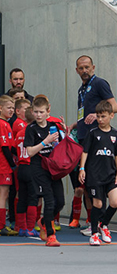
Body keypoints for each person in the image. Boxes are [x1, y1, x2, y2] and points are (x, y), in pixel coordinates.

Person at [72, 55, 117, 233]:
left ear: (93, 67)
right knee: (88, 183)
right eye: (80, 68)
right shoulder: (81, 89)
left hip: (99, 139)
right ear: (76, 70)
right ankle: (93, 223)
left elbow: (114, 106)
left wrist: (97, 115)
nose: (84, 70)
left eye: (87, 67)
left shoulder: (99, 83)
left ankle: (99, 224)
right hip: (85, 138)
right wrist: (75, 125)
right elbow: (84, 114)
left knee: (97, 181)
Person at [78, 100, 117, 247]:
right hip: (95, 175)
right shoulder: (93, 133)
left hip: (110, 175)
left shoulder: (116, 135)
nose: (100, 119)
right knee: (97, 204)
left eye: (103, 116)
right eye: (98, 116)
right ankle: (94, 234)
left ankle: (104, 225)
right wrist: (82, 168)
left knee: (114, 202)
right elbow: (85, 152)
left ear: (111, 116)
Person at [24, 96, 65, 247]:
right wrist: (44, 142)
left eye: (41, 112)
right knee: (49, 200)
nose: (38, 115)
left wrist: (64, 133)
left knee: (60, 201)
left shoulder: (54, 126)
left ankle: (44, 220)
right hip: (38, 168)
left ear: (48, 111)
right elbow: (29, 152)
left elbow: (61, 146)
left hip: (53, 167)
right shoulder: (31, 129)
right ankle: (50, 235)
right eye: (36, 112)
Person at [14, 107, 39, 237]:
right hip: (30, 166)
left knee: (22, 198)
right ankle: (30, 227)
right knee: (33, 198)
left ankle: (22, 227)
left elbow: (14, 148)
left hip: (21, 166)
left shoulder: (19, 133)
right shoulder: (34, 132)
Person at [0, 95, 17, 236]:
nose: (11, 110)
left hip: (4, 165)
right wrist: (13, 165)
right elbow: (5, 148)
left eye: (13, 108)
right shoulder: (2, 124)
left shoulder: (6, 123)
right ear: (0, 108)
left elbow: (11, 147)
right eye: (8, 108)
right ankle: (1, 226)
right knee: (3, 195)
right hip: (3, 166)